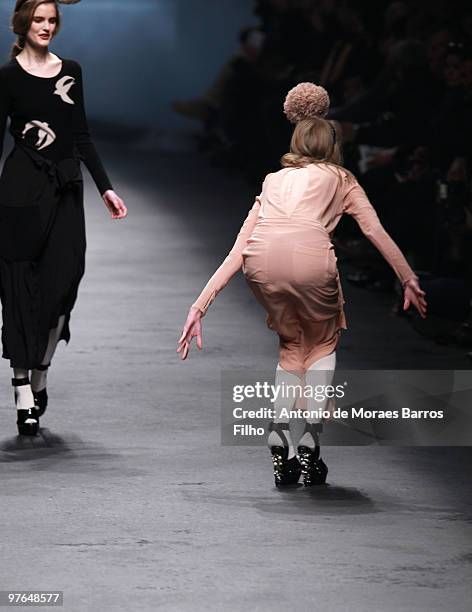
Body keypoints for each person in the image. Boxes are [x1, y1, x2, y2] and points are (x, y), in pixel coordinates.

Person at [177, 82, 427, 488]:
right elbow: (375, 231)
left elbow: (240, 247)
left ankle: (281, 443)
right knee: (322, 345)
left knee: (292, 349)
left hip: (262, 265)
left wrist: (200, 305)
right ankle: (309, 445)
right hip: (312, 261)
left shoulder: (273, 180)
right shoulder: (342, 179)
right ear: (332, 143)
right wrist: (408, 278)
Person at [0, 0, 127, 436]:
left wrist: (105, 186)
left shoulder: (71, 69)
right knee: (18, 287)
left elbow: (81, 135)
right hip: (19, 192)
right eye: (39, 20)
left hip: (66, 191)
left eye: (52, 20)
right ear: (23, 22)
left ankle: (41, 373)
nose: (47, 27)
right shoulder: (7, 76)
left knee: (62, 282)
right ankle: (21, 391)